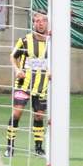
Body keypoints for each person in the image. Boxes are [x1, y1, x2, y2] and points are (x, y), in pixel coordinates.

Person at [6, 12, 51, 156]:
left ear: (47, 23)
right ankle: (10, 147)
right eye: (37, 21)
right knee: (17, 113)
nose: (41, 23)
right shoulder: (25, 40)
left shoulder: (52, 42)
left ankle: (38, 148)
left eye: (43, 20)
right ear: (33, 23)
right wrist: (17, 70)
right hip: (23, 84)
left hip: (42, 86)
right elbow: (13, 56)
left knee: (39, 116)